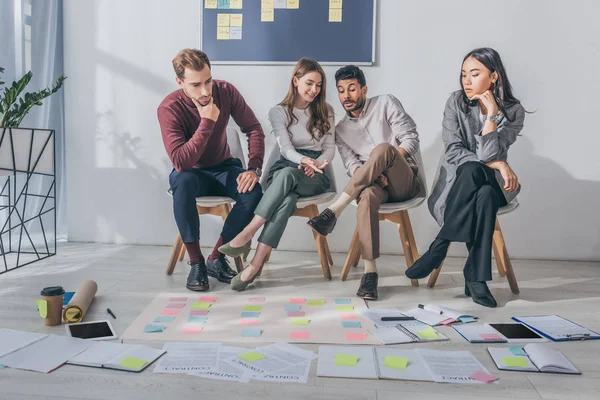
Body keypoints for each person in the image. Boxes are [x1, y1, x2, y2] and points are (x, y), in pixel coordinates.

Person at [405, 47, 526, 308]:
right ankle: (476, 280)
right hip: (458, 187)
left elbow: (488, 151)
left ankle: (439, 246)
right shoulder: (456, 102)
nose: (466, 81)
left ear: (493, 77)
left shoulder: (513, 111)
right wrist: (500, 165)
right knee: (481, 194)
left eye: (474, 74)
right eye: (463, 75)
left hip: (496, 185)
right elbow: (453, 150)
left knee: (477, 174)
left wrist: (491, 115)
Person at [218, 58, 335, 291]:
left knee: (288, 178)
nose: (314, 90)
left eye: (319, 85)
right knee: (288, 197)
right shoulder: (279, 112)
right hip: (288, 165)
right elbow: (285, 149)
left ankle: (247, 233)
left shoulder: (326, 111)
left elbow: (330, 148)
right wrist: (302, 160)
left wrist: (315, 163)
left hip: (317, 174)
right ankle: (254, 264)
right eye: (309, 83)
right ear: (295, 80)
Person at [308, 65, 421, 300]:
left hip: (403, 182)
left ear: (364, 89)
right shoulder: (340, 130)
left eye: (351, 89)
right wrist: (371, 173)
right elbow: (352, 166)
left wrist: (386, 164)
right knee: (367, 195)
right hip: (374, 187)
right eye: (340, 91)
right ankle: (370, 274)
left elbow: (411, 139)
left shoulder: (386, 103)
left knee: (383, 150)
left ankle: (334, 211)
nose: (346, 96)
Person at [158, 49, 265, 292]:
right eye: (196, 85)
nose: (205, 91)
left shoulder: (225, 91)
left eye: (208, 81)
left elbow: (254, 128)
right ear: (180, 82)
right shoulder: (169, 108)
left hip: (223, 167)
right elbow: (181, 161)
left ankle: (216, 257)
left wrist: (254, 168)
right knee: (181, 182)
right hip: (190, 172)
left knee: (253, 192)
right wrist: (207, 121)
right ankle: (196, 262)